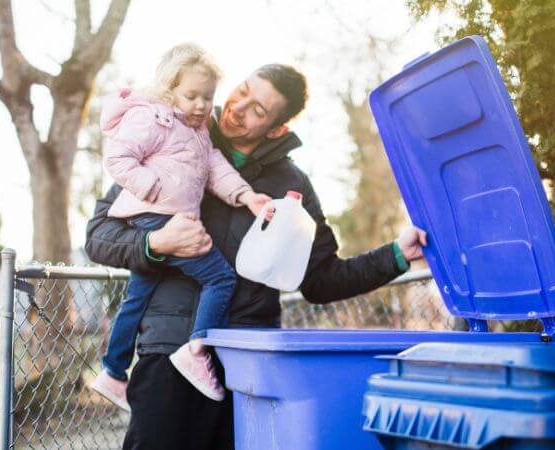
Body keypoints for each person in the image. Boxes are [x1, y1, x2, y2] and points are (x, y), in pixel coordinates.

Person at [85, 62, 428, 449]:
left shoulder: (291, 185)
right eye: (242, 90)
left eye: (258, 110)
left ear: (277, 128)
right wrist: (156, 244)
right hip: (167, 354)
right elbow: (98, 235)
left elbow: (320, 279)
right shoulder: (172, 137)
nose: (237, 108)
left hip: (246, 367)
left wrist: (396, 255)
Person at [90, 43, 272, 410]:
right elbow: (116, 156)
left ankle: (112, 371)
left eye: (207, 97)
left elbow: (216, 169)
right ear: (170, 90)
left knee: (136, 299)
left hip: (166, 218)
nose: (201, 105)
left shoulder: (199, 132)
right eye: (191, 96)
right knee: (220, 278)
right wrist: (151, 188)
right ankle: (197, 349)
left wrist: (247, 196)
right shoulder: (154, 118)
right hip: (156, 217)